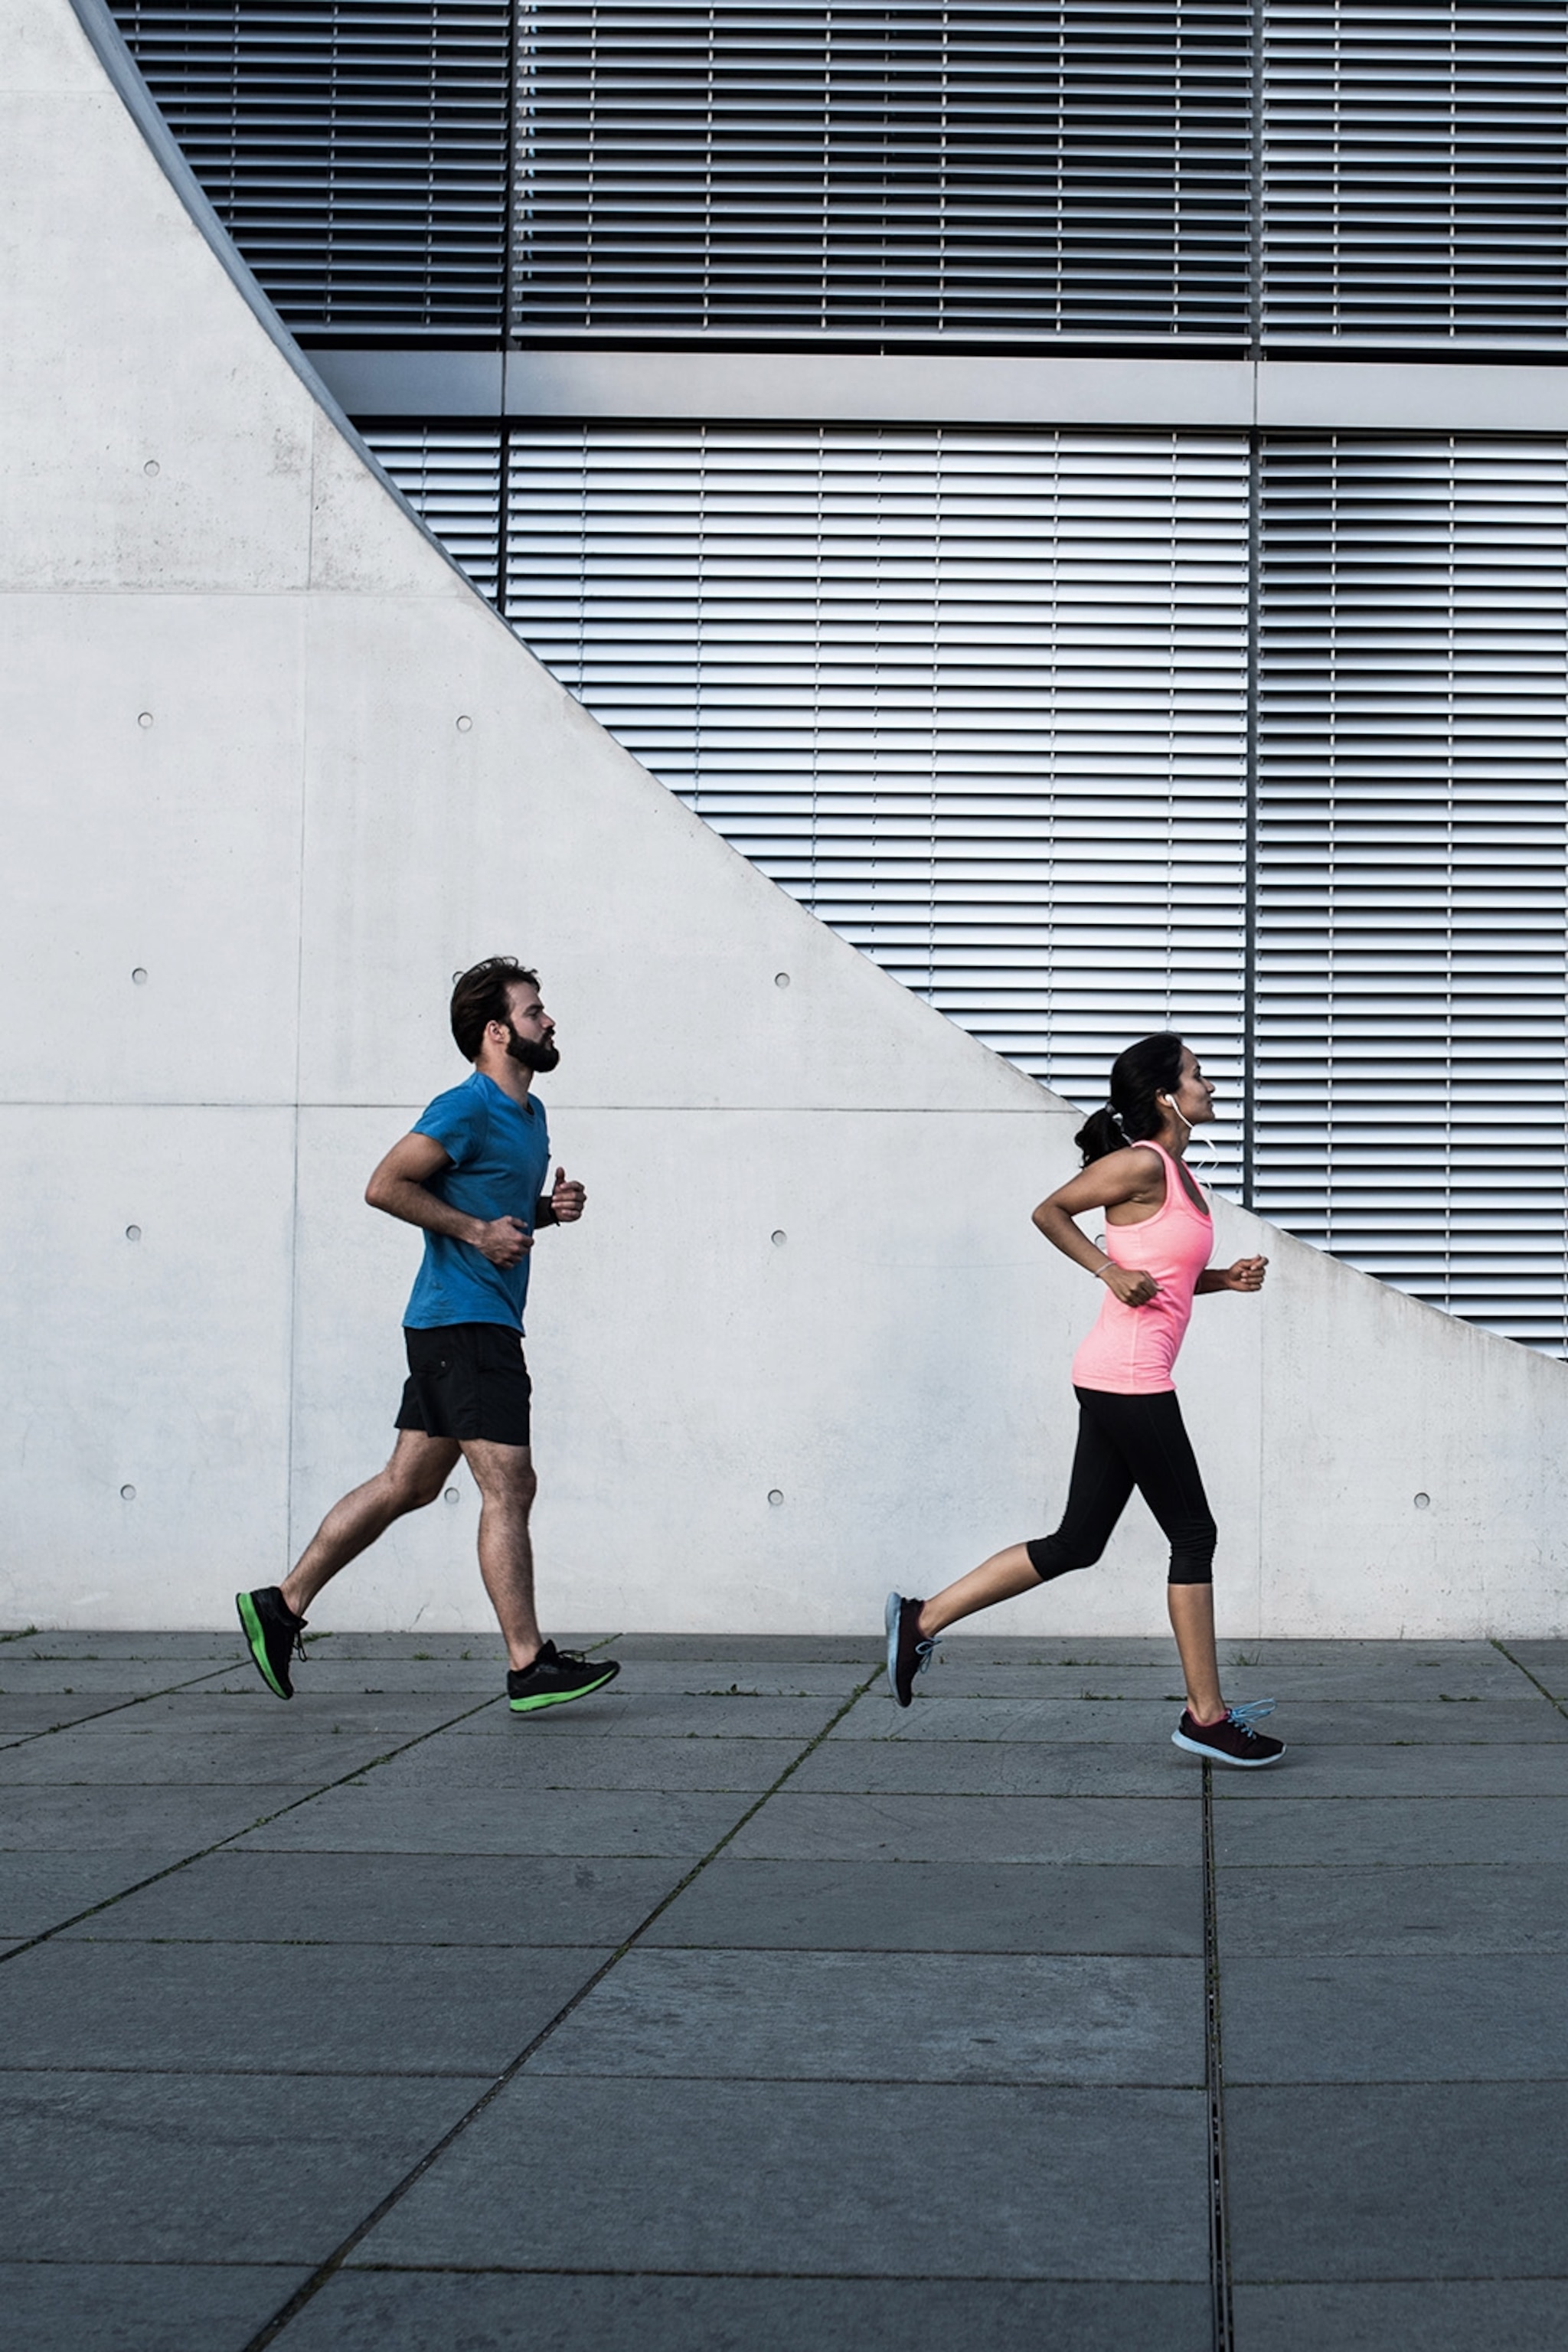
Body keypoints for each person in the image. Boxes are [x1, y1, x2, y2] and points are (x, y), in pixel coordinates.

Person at [885, 1034, 1283, 1767]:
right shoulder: (1138, 1163)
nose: (1210, 1086)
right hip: (1129, 1377)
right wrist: (1104, 1268)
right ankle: (1206, 1716)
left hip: (1116, 1374)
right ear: (1167, 1095)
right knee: (1194, 1535)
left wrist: (1221, 1279)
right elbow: (1050, 1211)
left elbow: (1158, 1275)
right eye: (1198, 1075)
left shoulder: (1179, 1173)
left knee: (1078, 1543)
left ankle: (922, 1618)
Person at [237, 958, 619, 1717]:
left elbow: (490, 1204)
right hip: (463, 1320)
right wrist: (478, 1232)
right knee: (509, 1486)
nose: (549, 1022)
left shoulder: (529, 1116)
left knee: (407, 1485)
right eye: (535, 1011)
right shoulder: (466, 1105)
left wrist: (547, 1210)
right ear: (495, 1030)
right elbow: (385, 1185)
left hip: (462, 1322)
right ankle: (526, 1665)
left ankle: (281, 1605)